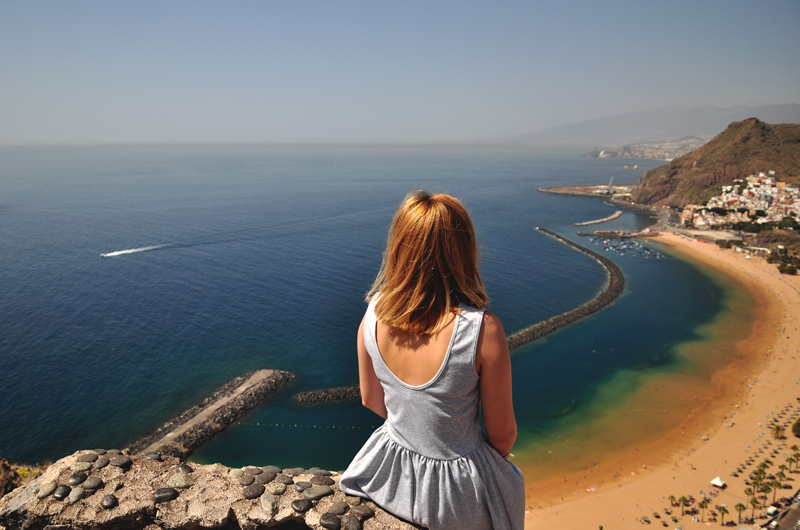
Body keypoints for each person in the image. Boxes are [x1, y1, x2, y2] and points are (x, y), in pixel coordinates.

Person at [339, 191, 525, 530]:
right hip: (456, 492)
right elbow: (503, 434)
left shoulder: (373, 313)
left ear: (398, 247)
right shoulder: (483, 330)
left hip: (387, 474)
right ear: (465, 252)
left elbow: (370, 398)